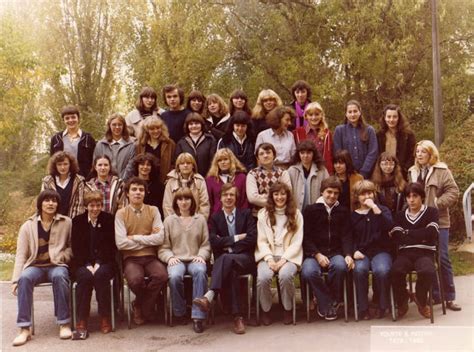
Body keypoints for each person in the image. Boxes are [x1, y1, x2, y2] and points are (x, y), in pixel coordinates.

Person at [193, 184, 257, 334]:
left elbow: (252, 238)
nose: (228, 198)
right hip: (228, 263)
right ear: (220, 198)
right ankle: (238, 318)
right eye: (225, 195)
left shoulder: (246, 214)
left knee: (226, 258)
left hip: (244, 259)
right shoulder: (215, 218)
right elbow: (214, 241)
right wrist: (237, 237)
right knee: (231, 271)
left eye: (232, 195)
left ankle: (211, 294)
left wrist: (228, 244)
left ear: (236, 198)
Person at [11, 190, 72, 346]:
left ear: (58, 204)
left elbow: (72, 248)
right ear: (40, 203)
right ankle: (24, 329)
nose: (51, 204)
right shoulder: (28, 225)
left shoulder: (66, 222)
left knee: (60, 276)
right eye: (47, 200)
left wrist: (62, 257)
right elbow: (21, 255)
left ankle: (64, 323)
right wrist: (15, 279)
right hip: (35, 266)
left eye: (54, 201)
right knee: (24, 279)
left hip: (56, 265)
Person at [408, 140, 461, 311]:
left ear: (431, 154)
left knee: (443, 257)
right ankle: (436, 295)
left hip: (440, 221)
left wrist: (438, 203)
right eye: (417, 152)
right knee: (428, 258)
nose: (420, 154)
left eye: (423, 151)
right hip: (420, 223)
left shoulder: (441, 170)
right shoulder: (412, 172)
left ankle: (450, 297)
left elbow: (453, 191)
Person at [114, 177, 167, 325]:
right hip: (131, 258)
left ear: (145, 193)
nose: (138, 193)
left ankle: (139, 305)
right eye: (134, 190)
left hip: (151, 257)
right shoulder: (121, 214)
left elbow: (160, 239)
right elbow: (121, 243)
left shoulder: (153, 210)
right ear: (127, 193)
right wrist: (148, 238)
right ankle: (147, 307)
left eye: (141, 190)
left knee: (161, 276)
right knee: (135, 280)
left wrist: (136, 238)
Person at [301, 176, 354, 321]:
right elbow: (306, 237)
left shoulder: (342, 211)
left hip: (336, 252)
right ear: (322, 192)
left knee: (341, 267)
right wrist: (317, 254)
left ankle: (327, 302)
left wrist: (348, 254)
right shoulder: (310, 210)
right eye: (329, 192)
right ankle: (327, 303)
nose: (332, 196)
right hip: (314, 254)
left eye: (336, 193)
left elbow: (347, 235)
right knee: (309, 271)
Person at [159, 188, 211, 333]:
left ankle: (198, 316)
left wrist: (202, 255)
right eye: (180, 199)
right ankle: (179, 312)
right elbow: (163, 247)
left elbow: (206, 244)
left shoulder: (200, 219)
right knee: (175, 276)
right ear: (176, 202)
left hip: (195, 258)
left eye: (187, 199)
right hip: (177, 259)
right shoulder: (169, 220)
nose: (184, 202)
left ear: (192, 201)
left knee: (200, 271)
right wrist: (169, 257)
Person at [255, 182, 303, 325]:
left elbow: (297, 241)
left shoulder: (296, 214)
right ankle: (266, 309)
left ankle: (288, 308)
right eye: (276, 194)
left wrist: (283, 260)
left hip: (289, 256)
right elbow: (261, 240)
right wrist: (269, 259)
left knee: (286, 275)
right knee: (263, 277)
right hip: (268, 255)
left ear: (288, 196)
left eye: (283, 194)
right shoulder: (263, 214)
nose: (280, 197)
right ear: (271, 196)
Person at [389, 182, 439, 319]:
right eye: (408, 196)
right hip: (405, 254)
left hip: (425, 253)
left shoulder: (431, 212)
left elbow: (431, 234)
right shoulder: (399, 216)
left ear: (421, 197)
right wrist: (419, 235)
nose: (411, 200)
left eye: (415, 196)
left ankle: (420, 299)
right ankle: (403, 300)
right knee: (395, 271)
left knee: (427, 270)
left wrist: (407, 233)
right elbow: (397, 236)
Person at [71, 191, 116, 337]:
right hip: (83, 263)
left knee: (102, 275)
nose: (95, 208)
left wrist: (98, 262)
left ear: (101, 206)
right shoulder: (77, 222)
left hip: (105, 262)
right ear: (86, 206)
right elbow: (76, 247)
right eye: (92, 205)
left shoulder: (108, 219)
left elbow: (111, 246)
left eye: (98, 205)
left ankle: (104, 316)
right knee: (84, 277)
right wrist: (87, 264)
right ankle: (82, 319)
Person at [351, 180, 393, 320]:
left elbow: (388, 227)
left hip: (380, 251)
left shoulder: (381, 210)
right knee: (359, 270)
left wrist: (375, 208)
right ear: (357, 197)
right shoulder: (353, 216)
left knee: (382, 271)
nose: (367, 196)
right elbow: (348, 237)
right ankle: (363, 308)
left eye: (369, 193)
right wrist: (353, 251)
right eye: (362, 194)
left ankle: (382, 304)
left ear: (374, 194)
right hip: (361, 253)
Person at [333, 100, 378, 179]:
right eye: (350, 112)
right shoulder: (339, 130)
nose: (352, 114)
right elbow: (337, 153)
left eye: (355, 111)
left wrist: (363, 172)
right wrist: (347, 171)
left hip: (366, 175)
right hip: (345, 175)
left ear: (360, 112)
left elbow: (373, 152)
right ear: (346, 114)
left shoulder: (369, 130)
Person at [41, 151, 92, 218]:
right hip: (53, 221)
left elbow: (80, 204)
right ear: (55, 166)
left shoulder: (78, 181)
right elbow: (43, 203)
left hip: (74, 221)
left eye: (65, 164)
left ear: (70, 165)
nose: (62, 167)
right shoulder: (48, 181)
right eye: (59, 164)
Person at [246, 143, 291, 217]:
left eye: (268, 152)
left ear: (274, 155)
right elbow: (252, 198)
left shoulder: (283, 173)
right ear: (257, 158)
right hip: (258, 215)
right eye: (261, 154)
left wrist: (262, 197)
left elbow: (288, 193)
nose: (265, 155)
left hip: (280, 214)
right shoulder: (252, 174)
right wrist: (277, 199)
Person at [50, 105, 96, 178]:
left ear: (78, 118)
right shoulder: (56, 139)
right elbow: (52, 162)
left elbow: (94, 162)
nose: (71, 120)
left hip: (83, 179)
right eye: (67, 118)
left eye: (73, 117)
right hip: (62, 180)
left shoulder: (88, 138)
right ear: (63, 120)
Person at [163, 153, 210, 219]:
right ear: (178, 166)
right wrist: (173, 223)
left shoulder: (200, 181)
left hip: (196, 223)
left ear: (193, 165)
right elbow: (167, 205)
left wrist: (198, 222)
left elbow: (204, 204)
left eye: (188, 163)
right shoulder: (171, 182)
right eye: (182, 163)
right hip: (175, 224)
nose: (185, 165)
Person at [288, 140, 329, 211]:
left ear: (314, 154)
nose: (305, 156)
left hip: (316, 211)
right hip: (296, 211)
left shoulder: (322, 170)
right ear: (298, 154)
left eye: (309, 153)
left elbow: (327, 190)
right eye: (302, 153)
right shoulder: (292, 170)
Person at [293, 101, 334, 174]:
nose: (314, 117)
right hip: (303, 171)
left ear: (321, 115)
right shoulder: (298, 132)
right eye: (310, 115)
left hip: (321, 170)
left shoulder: (327, 133)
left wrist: (330, 172)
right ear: (306, 116)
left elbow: (329, 155)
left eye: (317, 114)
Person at [376, 104, 416, 178]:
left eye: (394, 117)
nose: (391, 120)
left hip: (402, 174)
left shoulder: (408, 135)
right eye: (389, 117)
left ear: (399, 118)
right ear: (384, 118)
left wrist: (404, 169)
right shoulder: (379, 135)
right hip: (383, 174)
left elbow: (412, 154)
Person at [134, 115, 176, 185]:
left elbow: (174, 163)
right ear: (147, 130)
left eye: (158, 128)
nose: (156, 131)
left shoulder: (169, 144)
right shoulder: (140, 145)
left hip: (163, 181)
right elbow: (135, 164)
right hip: (144, 182)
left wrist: (170, 177)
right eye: (152, 129)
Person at [206, 148, 248, 216]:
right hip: (217, 218)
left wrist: (242, 219)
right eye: (219, 160)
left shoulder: (242, 178)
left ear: (231, 160)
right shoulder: (210, 180)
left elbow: (244, 201)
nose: (223, 162)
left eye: (225, 159)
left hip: (239, 217)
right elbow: (209, 203)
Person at [94, 113, 136, 179]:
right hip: (105, 183)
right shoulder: (101, 145)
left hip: (125, 183)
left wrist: (121, 182)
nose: (117, 127)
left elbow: (130, 166)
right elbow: (96, 165)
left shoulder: (131, 145)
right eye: (114, 125)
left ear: (124, 126)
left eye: (120, 125)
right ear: (109, 126)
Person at [174, 113, 216, 177]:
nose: (194, 126)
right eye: (191, 124)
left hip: (207, 177)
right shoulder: (181, 142)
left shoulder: (210, 140)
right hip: (187, 179)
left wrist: (208, 176)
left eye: (197, 123)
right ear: (187, 126)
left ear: (202, 124)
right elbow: (178, 162)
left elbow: (213, 161)